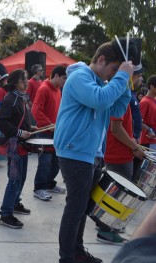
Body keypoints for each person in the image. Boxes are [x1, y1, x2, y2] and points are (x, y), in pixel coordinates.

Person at [54, 39, 135, 263]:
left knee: (81, 208)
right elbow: (100, 101)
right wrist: (121, 77)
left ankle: (76, 252)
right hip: (74, 152)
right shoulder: (80, 77)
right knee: (75, 208)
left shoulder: (99, 83)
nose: (112, 75)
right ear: (101, 60)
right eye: (112, 69)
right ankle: (68, 257)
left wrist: (125, 84)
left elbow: (115, 108)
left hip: (89, 153)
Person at [98, 68, 146, 245]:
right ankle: (107, 230)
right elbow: (115, 129)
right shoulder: (121, 95)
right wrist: (134, 148)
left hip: (118, 151)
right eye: (138, 74)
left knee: (114, 194)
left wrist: (132, 139)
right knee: (117, 195)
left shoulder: (120, 93)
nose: (140, 78)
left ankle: (105, 225)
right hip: (119, 153)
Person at [0, 69, 32, 229]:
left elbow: (18, 119)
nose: (27, 82)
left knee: (22, 177)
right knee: (15, 179)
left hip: (21, 144)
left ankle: (15, 202)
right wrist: (19, 132)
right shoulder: (11, 98)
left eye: (27, 79)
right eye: (24, 79)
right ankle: (5, 214)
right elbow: (1, 122)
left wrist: (30, 128)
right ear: (15, 82)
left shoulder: (20, 98)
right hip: (14, 145)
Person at [31, 65, 67, 201]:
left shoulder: (58, 90)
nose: (65, 81)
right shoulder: (44, 89)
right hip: (45, 133)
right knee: (45, 162)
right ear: (56, 75)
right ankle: (39, 188)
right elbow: (36, 111)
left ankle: (50, 184)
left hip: (55, 132)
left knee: (56, 162)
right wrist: (49, 125)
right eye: (64, 78)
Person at [139, 75, 156, 149]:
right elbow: (138, 121)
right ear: (152, 86)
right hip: (148, 141)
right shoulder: (145, 102)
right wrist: (149, 130)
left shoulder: (154, 100)